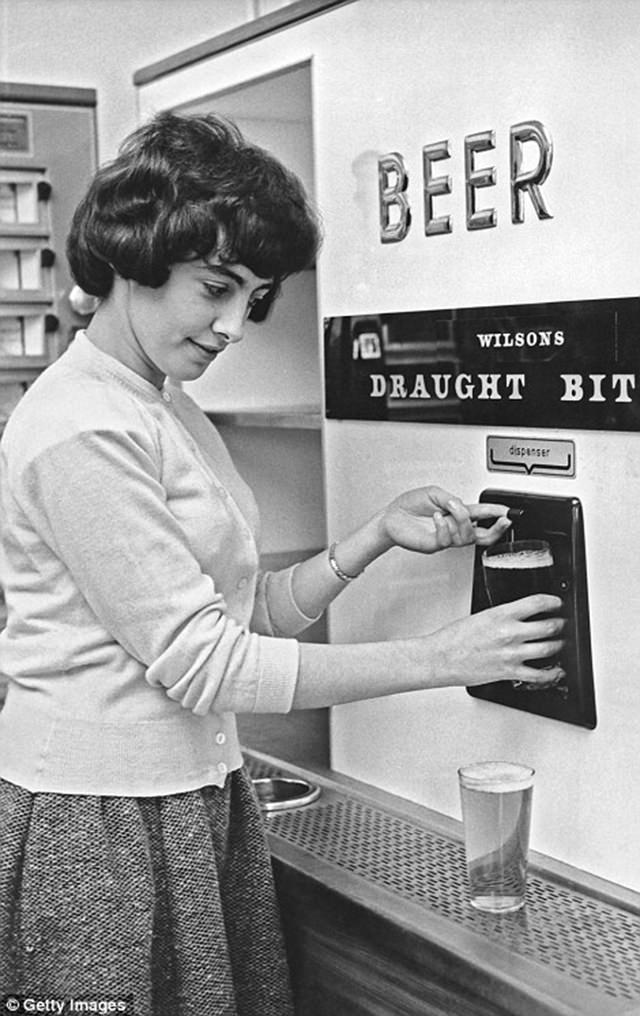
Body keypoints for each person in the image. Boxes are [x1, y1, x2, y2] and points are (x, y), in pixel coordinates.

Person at [0, 112, 565, 1015]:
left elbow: (241, 612)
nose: (232, 325)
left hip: (188, 796)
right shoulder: (79, 426)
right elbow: (206, 662)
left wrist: (369, 541)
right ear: (133, 256)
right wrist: (442, 658)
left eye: (251, 297)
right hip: (96, 819)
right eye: (214, 287)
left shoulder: (162, 403)